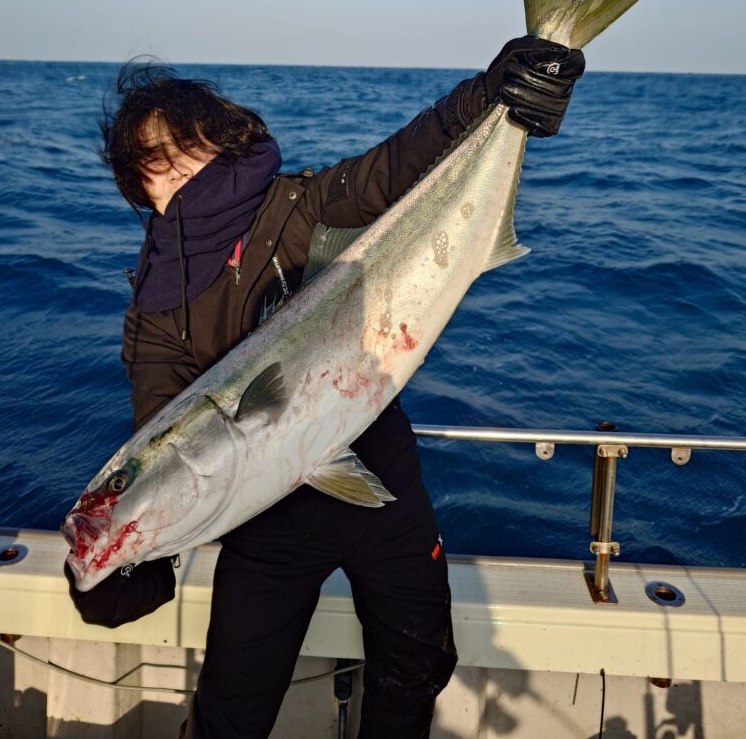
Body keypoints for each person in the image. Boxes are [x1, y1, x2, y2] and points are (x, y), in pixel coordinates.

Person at [75, 36, 584, 738]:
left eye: (183, 146)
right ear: (141, 190)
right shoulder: (158, 309)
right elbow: (171, 437)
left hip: (384, 488)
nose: (173, 172)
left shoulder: (302, 207)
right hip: (265, 525)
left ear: (221, 138)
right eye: (150, 166)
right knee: (231, 705)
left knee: (416, 667)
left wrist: (493, 96)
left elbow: (393, 168)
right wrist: (139, 554)